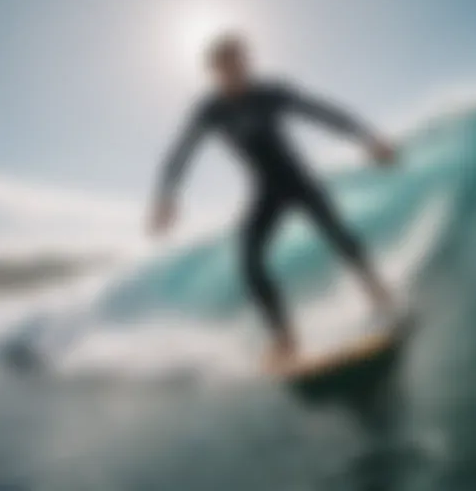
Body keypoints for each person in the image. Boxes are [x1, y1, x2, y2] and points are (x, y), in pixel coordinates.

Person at [148, 34, 395, 367]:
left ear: (247, 62)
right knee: (249, 262)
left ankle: (377, 291)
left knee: (337, 233)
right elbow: (181, 152)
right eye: (226, 66)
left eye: (240, 62)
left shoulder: (269, 93)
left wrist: (367, 137)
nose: (236, 71)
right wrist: (167, 195)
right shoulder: (210, 110)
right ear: (214, 72)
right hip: (266, 191)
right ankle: (285, 338)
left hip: (299, 180)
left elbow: (321, 112)